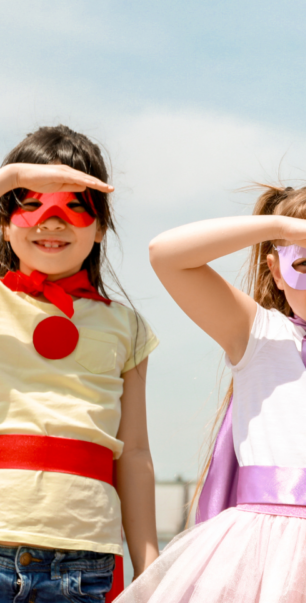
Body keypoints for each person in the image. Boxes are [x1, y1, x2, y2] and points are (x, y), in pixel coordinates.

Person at [120, 183, 306, 603]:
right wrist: (277, 226)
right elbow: (165, 254)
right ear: (275, 270)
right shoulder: (257, 333)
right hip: (256, 552)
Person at [0, 126, 159, 603]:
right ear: (4, 220)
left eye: (74, 205)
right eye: (30, 203)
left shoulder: (126, 326)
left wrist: (149, 564)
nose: (52, 222)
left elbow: (133, 454)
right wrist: (10, 176)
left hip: (87, 556)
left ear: (101, 225)